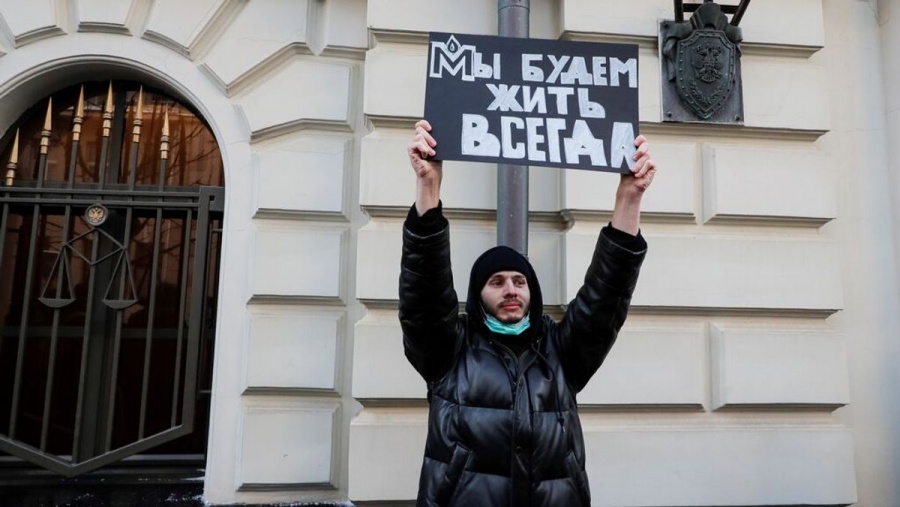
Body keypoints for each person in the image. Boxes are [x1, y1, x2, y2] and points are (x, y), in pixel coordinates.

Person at [399, 119, 655, 507]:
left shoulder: (560, 350)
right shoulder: (450, 350)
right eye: (497, 282)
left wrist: (630, 198)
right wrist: (428, 187)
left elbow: (605, 298)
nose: (511, 290)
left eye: (519, 281)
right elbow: (425, 295)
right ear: (478, 293)